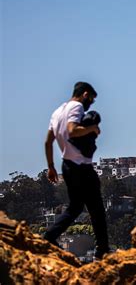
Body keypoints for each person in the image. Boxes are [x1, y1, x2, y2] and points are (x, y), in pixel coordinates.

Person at [44, 82, 110, 259]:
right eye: (91, 99)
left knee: (75, 207)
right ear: (85, 94)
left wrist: (51, 166)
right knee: (96, 208)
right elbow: (72, 130)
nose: (90, 104)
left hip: (67, 166)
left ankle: (49, 236)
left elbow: (48, 142)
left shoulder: (57, 112)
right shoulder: (77, 106)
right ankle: (102, 250)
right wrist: (92, 128)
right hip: (81, 167)